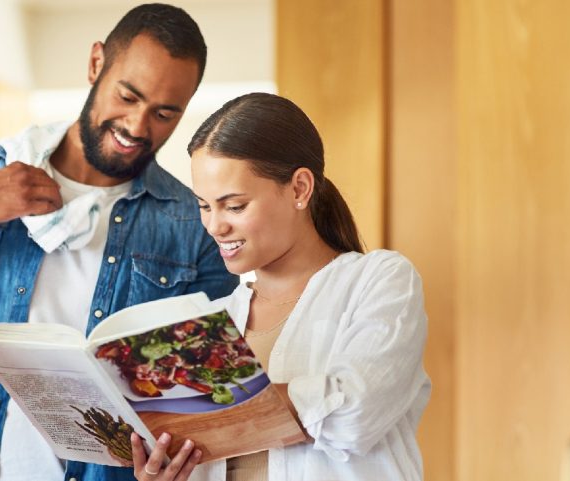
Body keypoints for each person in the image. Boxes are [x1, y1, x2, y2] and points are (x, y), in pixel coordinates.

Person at [0, 4, 238, 481]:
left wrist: (174, 458)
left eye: (163, 113)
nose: (136, 126)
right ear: (95, 64)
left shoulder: (190, 225)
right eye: (127, 96)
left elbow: (212, 398)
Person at [182, 92, 430, 481]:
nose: (215, 226)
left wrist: (232, 406)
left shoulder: (380, 282)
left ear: (299, 189)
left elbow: (355, 413)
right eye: (204, 206)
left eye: (234, 206)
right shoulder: (213, 322)